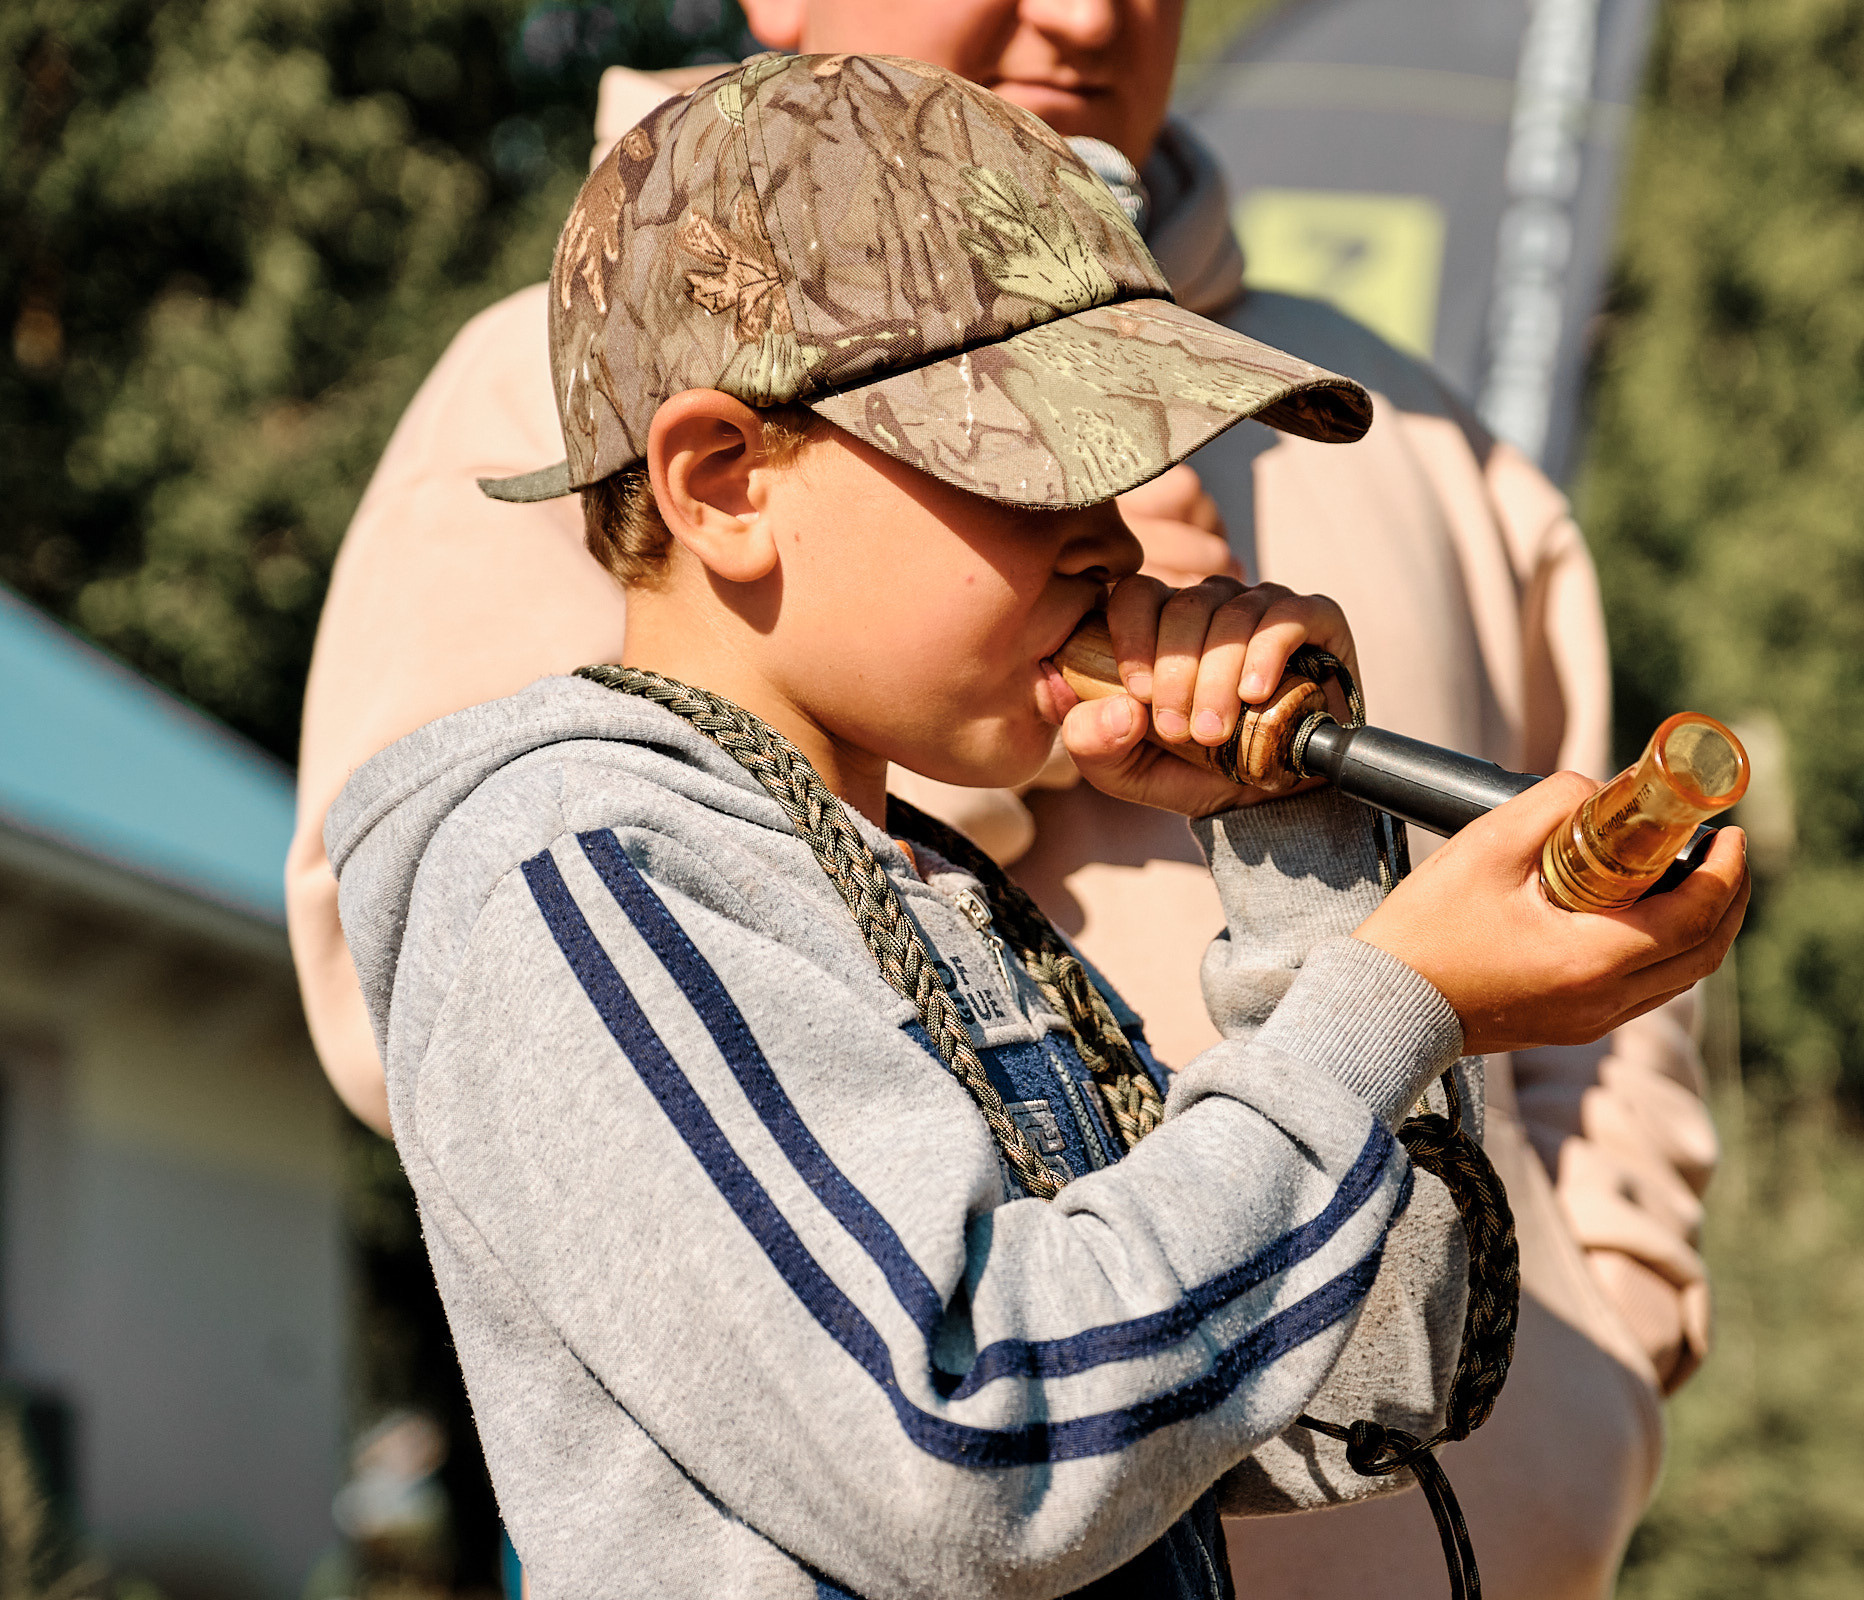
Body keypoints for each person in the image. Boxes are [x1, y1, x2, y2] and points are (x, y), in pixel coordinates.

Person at [290, 4, 1723, 1593]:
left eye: (1125, 466)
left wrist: (1303, 866)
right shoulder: (581, 873)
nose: (1119, 538)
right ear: (722, 483)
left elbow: (1357, 1400)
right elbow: (972, 1448)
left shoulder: (937, 896)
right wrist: (1393, 1004)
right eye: (1030, 457)